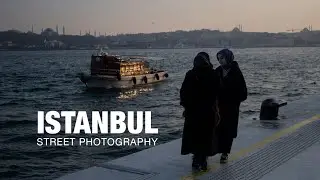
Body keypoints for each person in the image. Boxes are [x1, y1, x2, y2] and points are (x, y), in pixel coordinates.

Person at [180, 52, 220, 170]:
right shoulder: (213, 74)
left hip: (192, 112)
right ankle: (203, 160)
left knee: (194, 136)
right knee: (206, 136)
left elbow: (183, 93)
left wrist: (186, 106)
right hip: (208, 111)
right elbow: (217, 92)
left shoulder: (191, 74)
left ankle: (196, 159)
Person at [215, 49, 247, 163]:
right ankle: (214, 150)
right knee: (217, 129)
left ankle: (225, 153)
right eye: (218, 58)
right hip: (218, 107)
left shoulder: (236, 72)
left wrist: (233, 98)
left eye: (222, 58)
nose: (220, 61)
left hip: (231, 107)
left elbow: (243, 92)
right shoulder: (217, 71)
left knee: (228, 130)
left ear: (228, 57)